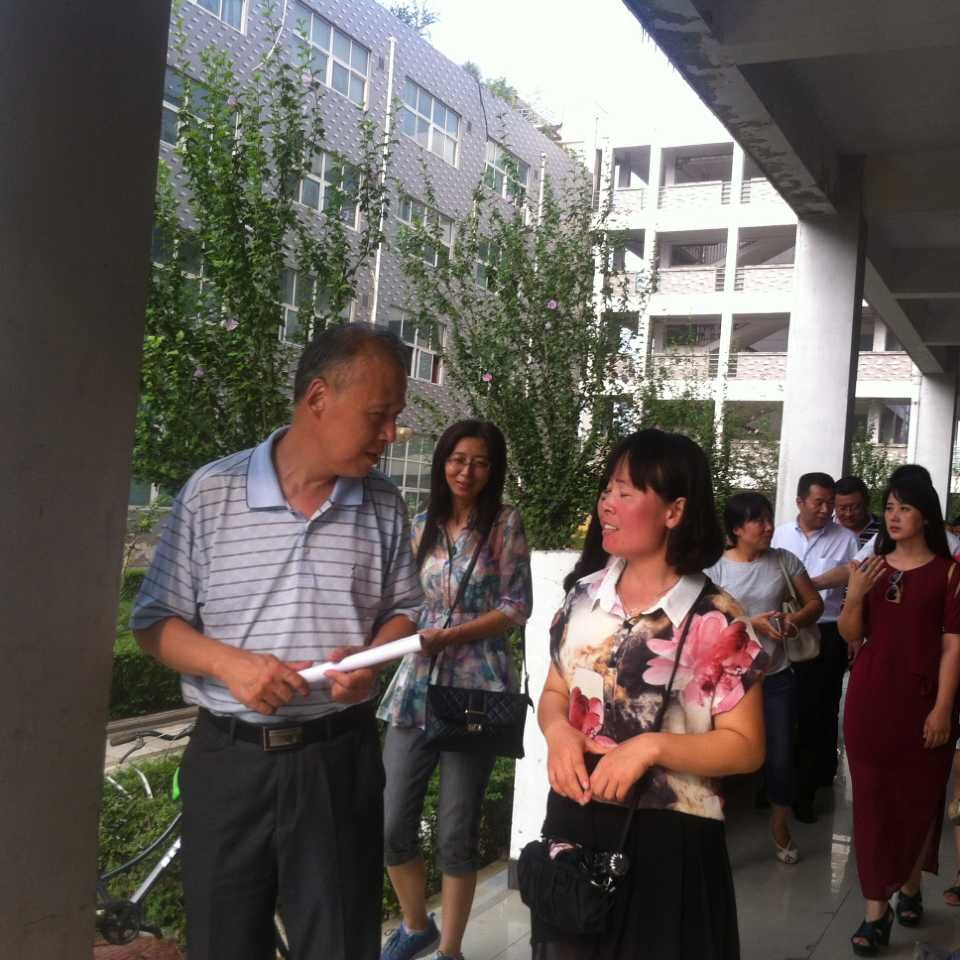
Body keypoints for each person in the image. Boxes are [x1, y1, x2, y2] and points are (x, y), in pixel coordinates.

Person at [131, 324, 424, 960]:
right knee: (224, 942)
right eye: (378, 415)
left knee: (340, 943)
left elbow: (404, 611)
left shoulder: (382, 503)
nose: (390, 434)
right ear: (318, 397)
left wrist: (370, 661)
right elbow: (153, 621)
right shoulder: (213, 492)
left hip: (338, 761)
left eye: (395, 417)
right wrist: (230, 665)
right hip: (230, 762)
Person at [532, 429, 768, 960]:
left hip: (670, 837)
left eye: (625, 492)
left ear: (674, 511)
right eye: (607, 490)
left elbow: (747, 746)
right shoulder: (583, 596)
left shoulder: (718, 619)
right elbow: (554, 690)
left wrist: (651, 747)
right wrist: (558, 732)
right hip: (573, 822)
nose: (607, 504)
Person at [378, 420, 532, 960]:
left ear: (494, 469)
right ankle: (415, 925)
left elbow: (516, 606)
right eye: (458, 459)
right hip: (415, 689)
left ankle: (450, 950)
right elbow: (402, 603)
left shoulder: (504, 524)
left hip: (475, 691)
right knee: (391, 823)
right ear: (442, 461)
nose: (467, 471)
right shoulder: (420, 524)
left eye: (480, 461)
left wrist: (452, 635)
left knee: (456, 830)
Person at [840, 473, 960, 956]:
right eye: (889, 506)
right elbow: (851, 634)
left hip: (925, 703)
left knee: (917, 799)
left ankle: (909, 886)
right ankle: (877, 911)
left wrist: (943, 709)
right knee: (870, 804)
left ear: (925, 516)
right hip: (870, 699)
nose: (893, 516)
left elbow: (953, 648)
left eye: (904, 508)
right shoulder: (870, 567)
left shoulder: (949, 574)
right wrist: (854, 592)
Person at [705, 492, 823, 864]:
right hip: (728, 681)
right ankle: (712, 832)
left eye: (769, 518)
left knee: (782, 756)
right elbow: (703, 624)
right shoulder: (714, 569)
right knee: (719, 758)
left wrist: (794, 620)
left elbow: (814, 604)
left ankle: (780, 825)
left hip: (776, 676)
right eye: (758, 521)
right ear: (737, 529)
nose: (769, 527)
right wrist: (747, 623)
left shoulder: (784, 560)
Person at [772, 472, 859, 822]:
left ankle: (806, 792)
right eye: (818, 502)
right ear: (799, 502)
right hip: (784, 632)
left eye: (830, 503)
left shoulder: (846, 540)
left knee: (818, 712)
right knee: (785, 709)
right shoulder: (779, 534)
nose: (826, 510)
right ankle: (775, 784)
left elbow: (854, 581)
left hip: (827, 633)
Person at [835, 476, 883, 546]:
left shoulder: (884, 530)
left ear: (867, 502)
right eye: (842, 508)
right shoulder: (825, 528)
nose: (849, 514)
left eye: (855, 507)